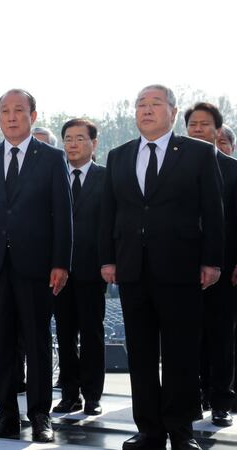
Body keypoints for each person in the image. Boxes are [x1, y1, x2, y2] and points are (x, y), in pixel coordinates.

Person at [100, 85, 223, 450]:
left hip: (181, 267)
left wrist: (212, 261)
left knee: (180, 353)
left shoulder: (199, 153)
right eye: (141, 104)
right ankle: (149, 430)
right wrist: (107, 258)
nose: (146, 110)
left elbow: (213, 212)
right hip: (132, 269)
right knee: (140, 353)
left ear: (172, 111)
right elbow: (110, 212)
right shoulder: (119, 155)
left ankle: (181, 430)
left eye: (155, 104)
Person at [0, 89, 72, 443]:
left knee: (38, 340)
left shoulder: (52, 158)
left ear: (33, 115)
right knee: (1, 341)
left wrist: (61, 262)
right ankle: (6, 414)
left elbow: (63, 216)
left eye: (19, 110)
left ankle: (41, 415)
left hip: (37, 266)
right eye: (5, 111)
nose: (12, 117)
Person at [185, 102, 237, 427]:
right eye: (192, 124)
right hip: (181, 268)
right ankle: (194, 397)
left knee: (222, 336)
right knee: (188, 337)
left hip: (226, 268)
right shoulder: (177, 167)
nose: (198, 129)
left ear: (217, 130)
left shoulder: (233, 169)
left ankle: (221, 400)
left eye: (205, 124)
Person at [52, 119, 106, 416]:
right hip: (59, 271)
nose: (72, 144)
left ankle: (93, 394)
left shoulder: (105, 177)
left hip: (93, 270)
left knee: (92, 333)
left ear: (93, 144)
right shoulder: (54, 176)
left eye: (79, 139)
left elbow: (111, 225)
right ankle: (69, 393)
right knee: (64, 333)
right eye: (68, 139)